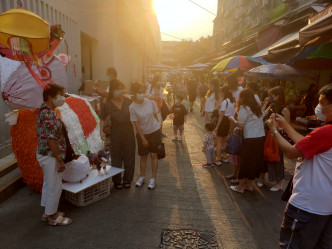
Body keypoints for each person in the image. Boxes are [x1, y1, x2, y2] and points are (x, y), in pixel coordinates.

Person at [266, 83, 332, 249]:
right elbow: (304, 145)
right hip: (325, 207)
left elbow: (291, 152)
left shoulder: (326, 133)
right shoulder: (324, 134)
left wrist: (274, 130)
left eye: (322, 103)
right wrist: (286, 127)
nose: (319, 107)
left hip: (306, 206)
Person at [36, 84, 72, 226]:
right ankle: (52, 216)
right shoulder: (48, 113)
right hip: (51, 155)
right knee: (54, 185)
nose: (63, 97)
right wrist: (59, 159)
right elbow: (51, 139)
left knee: (49, 183)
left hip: (46, 154)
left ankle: (47, 212)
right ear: (50, 97)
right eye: (60, 94)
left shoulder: (47, 111)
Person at [229, 88, 265, 193]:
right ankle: (249, 185)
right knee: (254, 162)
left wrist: (232, 119)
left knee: (246, 162)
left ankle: (240, 187)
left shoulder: (244, 108)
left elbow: (240, 124)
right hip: (260, 138)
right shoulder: (257, 108)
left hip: (250, 139)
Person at [103, 79, 135, 189]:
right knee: (116, 157)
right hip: (115, 131)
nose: (120, 91)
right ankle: (117, 180)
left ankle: (127, 179)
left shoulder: (128, 101)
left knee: (129, 155)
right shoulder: (107, 103)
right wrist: (103, 135)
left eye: (121, 88)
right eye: (117, 89)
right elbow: (103, 119)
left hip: (128, 130)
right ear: (112, 90)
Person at [129, 82, 162, 189]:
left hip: (154, 131)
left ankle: (153, 179)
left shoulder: (150, 102)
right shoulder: (132, 107)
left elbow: (156, 115)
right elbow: (136, 125)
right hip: (142, 134)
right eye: (139, 92)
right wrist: (143, 139)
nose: (142, 94)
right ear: (134, 93)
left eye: (143, 92)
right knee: (143, 156)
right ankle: (142, 177)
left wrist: (159, 128)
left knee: (153, 155)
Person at [259, 86, 290, 191]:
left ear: (278, 96)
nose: (270, 97)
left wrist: (276, 127)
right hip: (267, 134)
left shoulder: (284, 109)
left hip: (278, 136)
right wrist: (266, 104)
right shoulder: (272, 106)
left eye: (272, 96)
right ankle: (261, 179)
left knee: (277, 159)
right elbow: (262, 117)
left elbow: (287, 126)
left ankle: (279, 183)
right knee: (264, 157)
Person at [214, 86, 236, 165]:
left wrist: (217, 126)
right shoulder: (233, 102)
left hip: (223, 121)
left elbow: (221, 116)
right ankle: (225, 156)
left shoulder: (225, 102)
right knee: (224, 140)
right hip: (229, 121)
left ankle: (218, 159)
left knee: (218, 141)